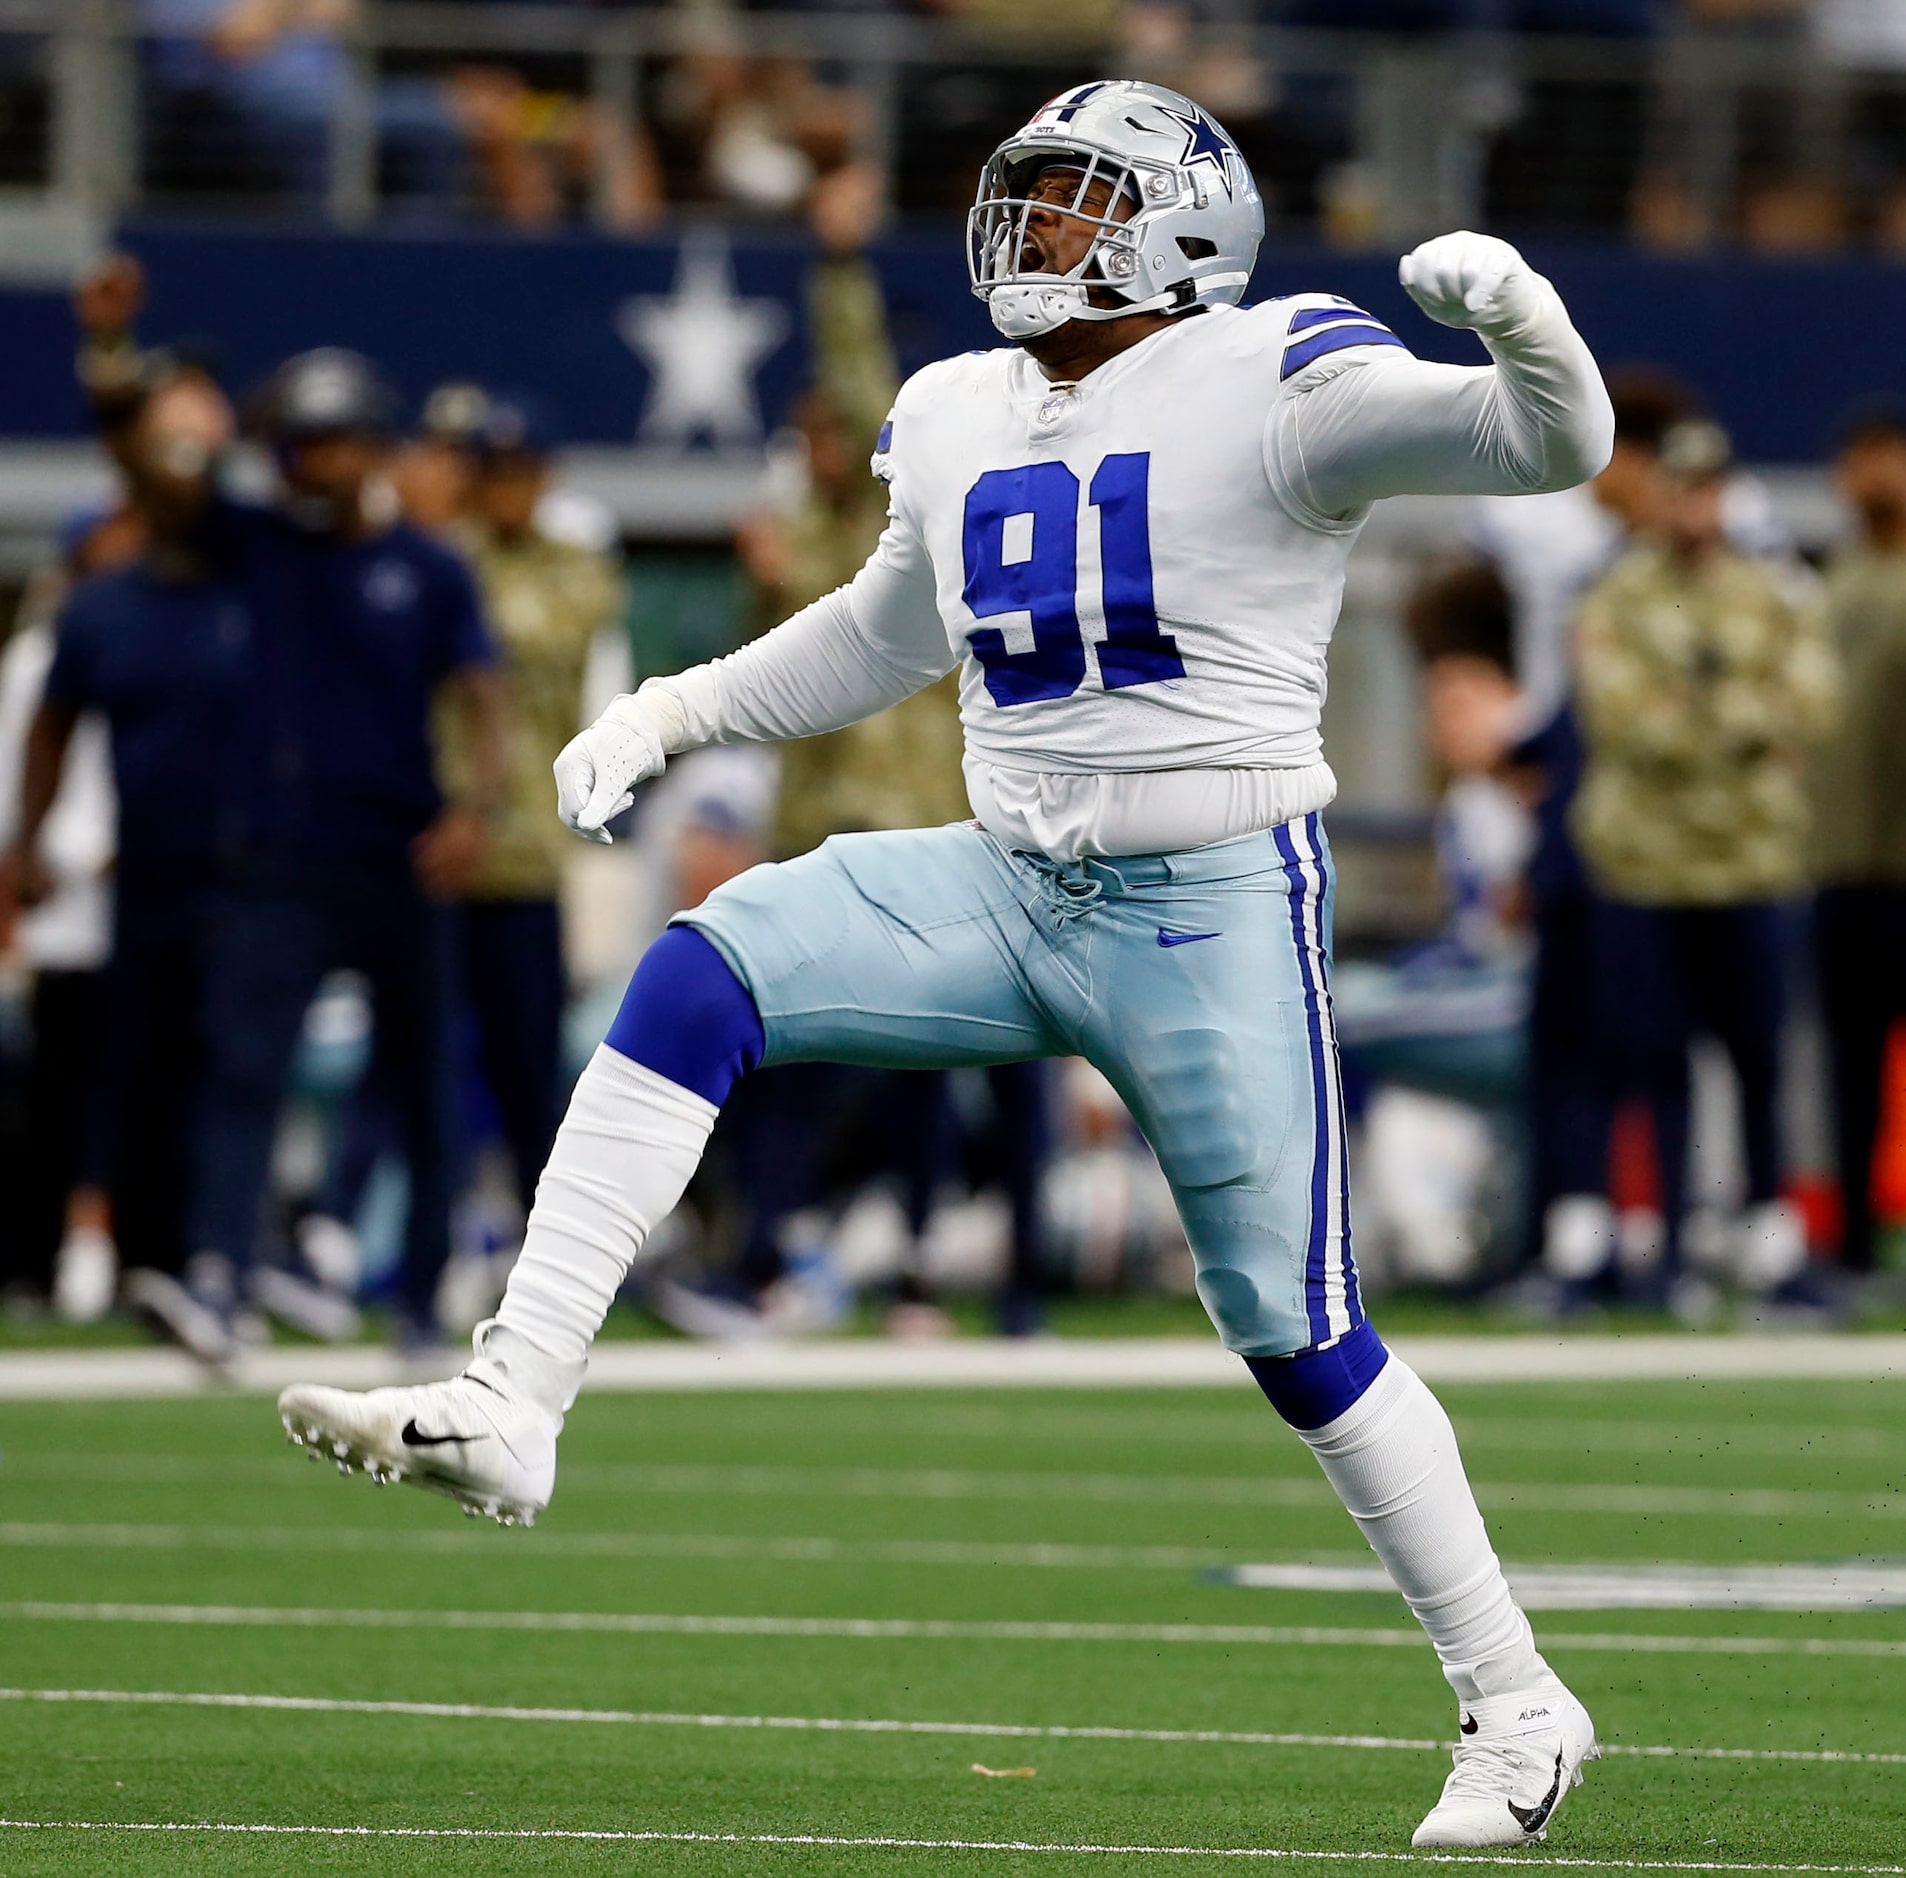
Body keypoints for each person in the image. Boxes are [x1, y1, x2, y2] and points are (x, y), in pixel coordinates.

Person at [278, 80, 1615, 1849]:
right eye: (1027, 196)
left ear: (1177, 223)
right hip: (1004, 873)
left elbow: (1550, 448)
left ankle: (1518, 1700)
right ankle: (517, 1396)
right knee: (704, 966)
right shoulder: (959, 406)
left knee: (1293, 1331)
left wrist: (1524, 320)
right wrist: (675, 706)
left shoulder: (1277, 370)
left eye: (1070, 200)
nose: (1030, 231)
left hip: (1205, 900)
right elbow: (882, 633)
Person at [1573, 418, 1839, 1305]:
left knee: (1759, 1058)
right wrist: (1734, 718)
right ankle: (1671, 1248)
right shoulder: (1617, 595)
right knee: (1655, 1059)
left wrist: (1698, 712)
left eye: (1709, 487)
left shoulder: (1770, 591)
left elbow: (1811, 703)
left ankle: (1768, 1247)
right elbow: (1618, 717)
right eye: (1680, 487)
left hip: (1750, 864)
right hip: (1648, 865)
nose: (1695, 506)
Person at [1811, 408, 1906, 1277]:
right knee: (1850, 1062)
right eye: (1859, 458)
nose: (1871, 475)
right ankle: (1852, 1250)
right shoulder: (1832, 584)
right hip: (1842, 862)